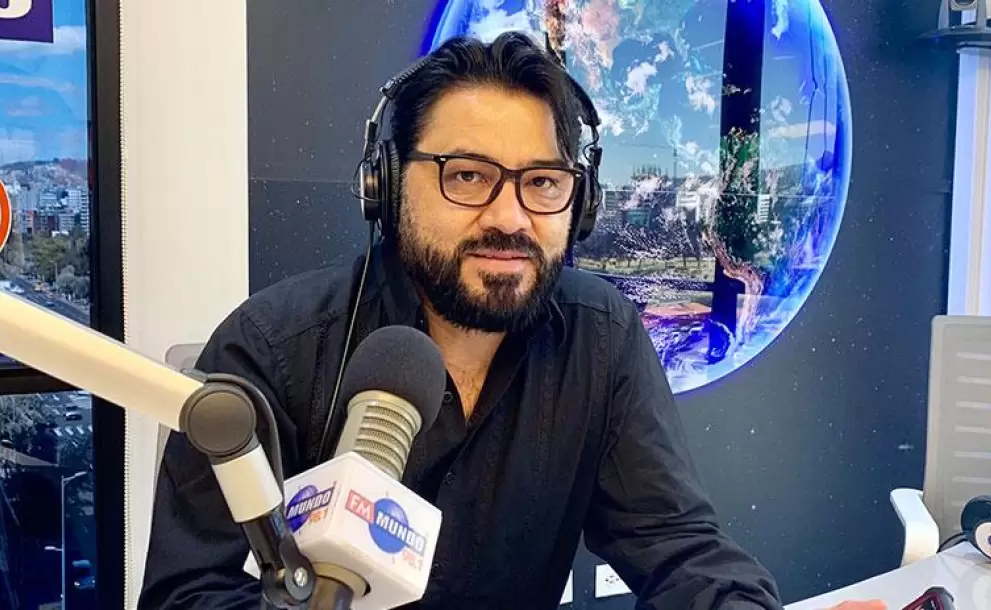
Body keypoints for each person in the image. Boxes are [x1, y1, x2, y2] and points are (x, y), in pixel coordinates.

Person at [139, 32, 886, 610]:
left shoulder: (601, 337)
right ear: (387, 184)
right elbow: (188, 594)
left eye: (543, 182)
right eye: (467, 175)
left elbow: (679, 547)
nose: (510, 217)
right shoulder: (272, 349)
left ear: (579, 203)